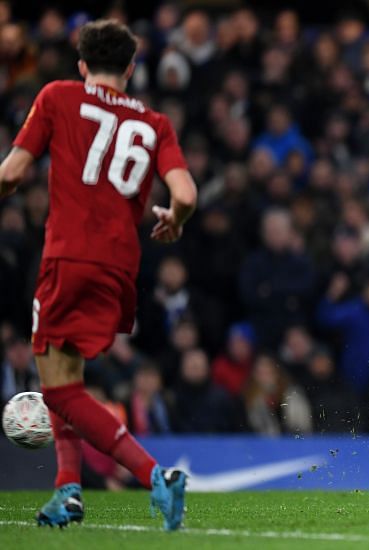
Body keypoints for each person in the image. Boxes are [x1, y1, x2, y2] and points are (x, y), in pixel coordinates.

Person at [0, 21, 197, 530]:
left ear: (82, 65)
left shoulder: (59, 96)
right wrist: (173, 220)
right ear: (131, 68)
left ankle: (156, 474)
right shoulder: (155, 123)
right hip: (119, 266)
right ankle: (67, 492)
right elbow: (187, 195)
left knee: (58, 392)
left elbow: (11, 173)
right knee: (68, 377)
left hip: (68, 256)